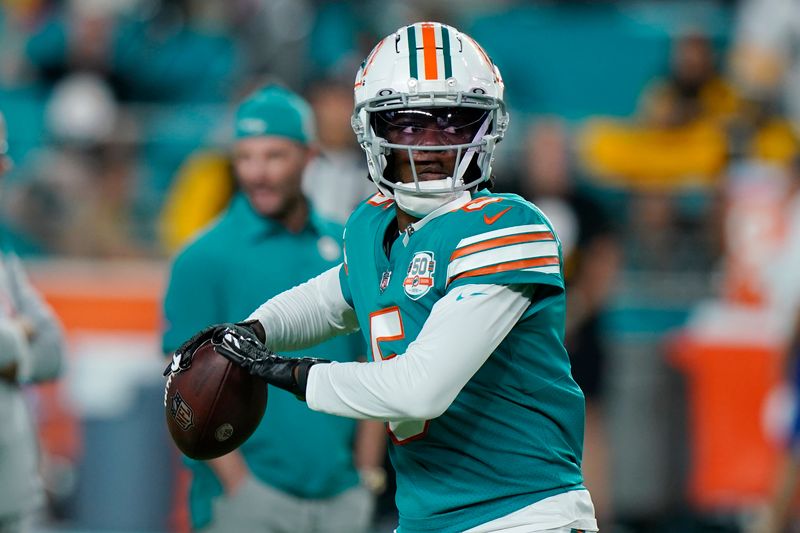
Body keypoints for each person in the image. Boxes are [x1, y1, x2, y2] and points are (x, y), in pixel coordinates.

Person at [166, 22, 598, 533]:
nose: (432, 143)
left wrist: (289, 374)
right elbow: (328, 299)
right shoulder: (373, 222)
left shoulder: (507, 228)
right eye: (409, 125)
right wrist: (253, 332)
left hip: (522, 515)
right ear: (374, 131)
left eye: (455, 123)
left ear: (486, 129)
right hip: (426, 517)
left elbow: (420, 389)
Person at [161, 85, 384, 533]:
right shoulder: (201, 258)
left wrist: (365, 476)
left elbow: (374, 358)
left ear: (309, 155)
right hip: (249, 501)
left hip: (342, 495)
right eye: (245, 157)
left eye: (274, 156)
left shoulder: (349, 246)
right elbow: (182, 389)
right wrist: (240, 487)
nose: (257, 173)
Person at [0, 111, 65, 531]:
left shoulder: (5, 261)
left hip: (14, 494)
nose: (5, 168)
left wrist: (12, 343)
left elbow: (54, 350)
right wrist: (17, 332)